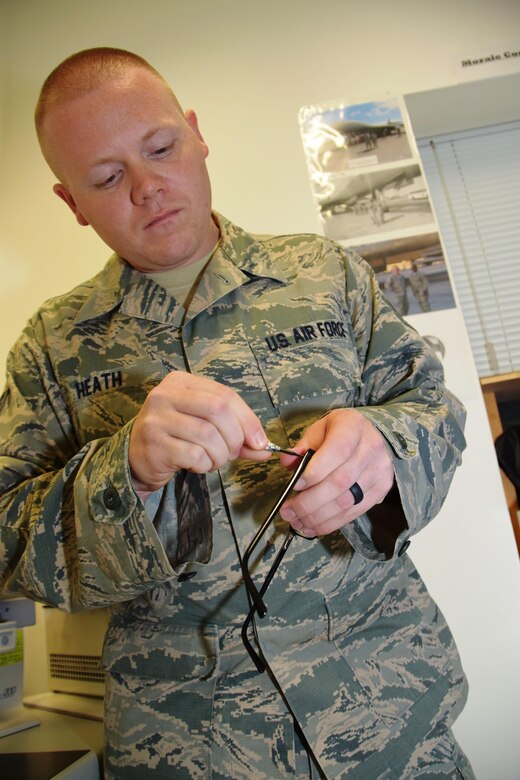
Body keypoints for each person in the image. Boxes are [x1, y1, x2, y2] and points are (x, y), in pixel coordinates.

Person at [0, 48, 474, 779]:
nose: (148, 186)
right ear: (71, 203)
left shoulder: (325, 275)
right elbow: (8, 539)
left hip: (391, 716)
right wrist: (123, 471)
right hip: (192, 748)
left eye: (160, 148)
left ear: (195, 134)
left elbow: (432, 408)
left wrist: (388, 442)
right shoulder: (49, 348)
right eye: (106, 177)